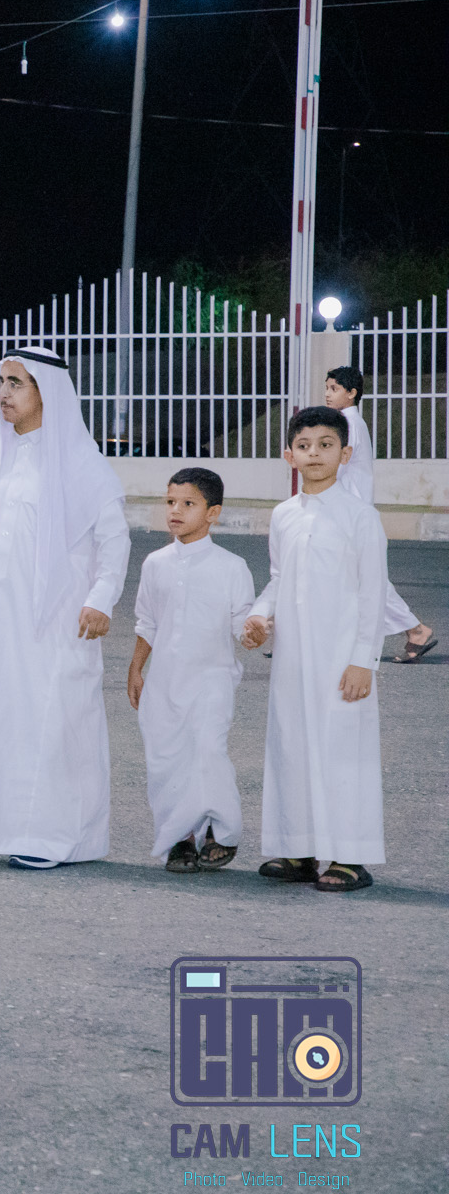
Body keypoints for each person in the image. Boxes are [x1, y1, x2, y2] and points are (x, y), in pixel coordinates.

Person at [0, 346, 130, 870]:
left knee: (52, 722)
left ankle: (52, 837)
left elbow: (114, 540)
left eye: (17, 383)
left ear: (46, 392)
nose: (4, 393)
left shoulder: (83, 463)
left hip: (58, 622)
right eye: (1, 382)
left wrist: (101, 598)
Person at [241, 406, 388, 892]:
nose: (315, 454)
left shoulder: (360, 517)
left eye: (326, 445)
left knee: (343, 751)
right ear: (290, 456)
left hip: (342, 657)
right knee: (292, 746)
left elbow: (373, 594)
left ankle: (350, 857)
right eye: (304, 446)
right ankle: (299, 849)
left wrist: (363, 661)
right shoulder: (284, 515)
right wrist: (260, 616)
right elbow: (279, 578)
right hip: (293, 657)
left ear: (345, 454)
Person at [126, 468, 254, 873]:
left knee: (208, 752)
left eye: (188, 503)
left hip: (212, 679)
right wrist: (136, 669)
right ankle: (180, 838)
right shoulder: (155, 563)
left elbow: (243, 624)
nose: (175, 511)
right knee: (167, 760)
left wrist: (255, 633)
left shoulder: (231, 567)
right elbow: (147, 621)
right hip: (164, 681)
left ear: (212, 513)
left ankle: (220, 831)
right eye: (170, 502)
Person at [324, 367, 434, 663]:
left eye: (334, 388)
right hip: (349, 513)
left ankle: (415, 629)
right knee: (350, 579)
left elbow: (335, 468)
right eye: (327, 388)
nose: (327, 394)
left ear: (351, 393)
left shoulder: (348, 424)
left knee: (365, 581)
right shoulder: (349, 423)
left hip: (352, 516)